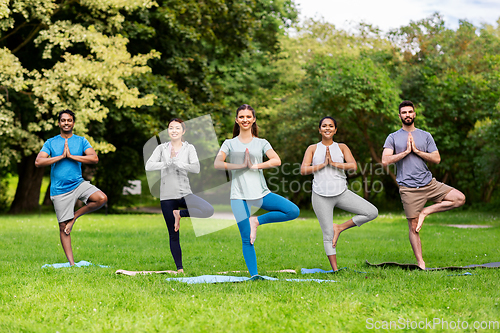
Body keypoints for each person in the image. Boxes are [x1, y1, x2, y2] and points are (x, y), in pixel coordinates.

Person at [214, 104, 300, 278]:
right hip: (239, 197)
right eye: (241, 117)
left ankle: (257, 221)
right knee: (247, 238)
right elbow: (217, 163)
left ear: (253, 119)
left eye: (248, 117)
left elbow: (276, 160)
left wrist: (254, 166)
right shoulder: (229, 143)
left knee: (293, 211)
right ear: (237, 120)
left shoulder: (261, 143)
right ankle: (254, 275)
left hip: (261, 193)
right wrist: (240, 166)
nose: (245, 120)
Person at [382, 100, 466, 269]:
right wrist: (405, 152)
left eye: (410, 112)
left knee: (459, 198)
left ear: (414, 114)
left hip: (429, 183)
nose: (407, 115)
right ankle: (421, 263)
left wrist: (417, 151)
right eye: (404, 113)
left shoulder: (425, 135)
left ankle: (426, 211)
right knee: (413, 227)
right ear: (399, 116)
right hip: (408, 188)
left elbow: (437, 158)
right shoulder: (393, 137)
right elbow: (385, 160)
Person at [301, 117, 378, 271]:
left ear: (335, 130)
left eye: (330, 126)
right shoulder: (312, 148)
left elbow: (353, 166)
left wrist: (333, 163)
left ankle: (340, 227)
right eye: (324, 126)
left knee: (371, 212)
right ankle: (335, 270)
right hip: (320, 195)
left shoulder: (342, 147)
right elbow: (304, 170)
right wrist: (322, 164)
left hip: (341, 193)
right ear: (319, 129)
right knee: (327, 235)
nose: (327, 128)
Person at [35, 110, 108, 266]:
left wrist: (72, 156)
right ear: (59, 123)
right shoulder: (51, 142)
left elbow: (94, 158)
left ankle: (74, 217)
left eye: (69, 120)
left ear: (73, 123)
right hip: (60, 190)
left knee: (101, 198)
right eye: (63, 120)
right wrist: (60, 156)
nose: (66, 123)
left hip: (78, 183)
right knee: (63, 226)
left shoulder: (81, 141)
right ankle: (72, 264)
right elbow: (38, 162)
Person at [145, 118, 214, 273]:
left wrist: (177, 162)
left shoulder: (189, 148)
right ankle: (180, 269)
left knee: (208, 210)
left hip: (185, 193)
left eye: (177, 128)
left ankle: (179, 214)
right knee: (173, 234)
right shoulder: (162, 149)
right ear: (168, 131)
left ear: (183, 131)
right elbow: (149, 165)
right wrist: (167, 163)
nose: (174, 130)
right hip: (167, 196)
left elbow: (196, 168)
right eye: (171, 128)